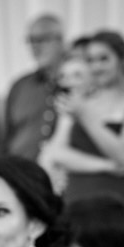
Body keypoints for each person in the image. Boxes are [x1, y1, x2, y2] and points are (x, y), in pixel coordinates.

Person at [49, 30, 124, 247]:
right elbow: (56, 152)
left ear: (123, 61)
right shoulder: (78, 100)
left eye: (104, 58)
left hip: (120, 201)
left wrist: (85, 115)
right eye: (91, 60)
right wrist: (105, 166)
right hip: (78, 196)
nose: (96, 66)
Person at [3, 14, 67, 160]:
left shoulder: (75, 83)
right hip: (21, 170)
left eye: (42, 40)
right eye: (31, 41)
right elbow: (4, 138)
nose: (35, 47)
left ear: (60, 40)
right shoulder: (20, 86)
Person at [37, 53, 95, 195]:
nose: (68, 82)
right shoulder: (62, 113)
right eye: (63, 76)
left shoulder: (95, 113)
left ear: (93, 82)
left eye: (77, 75)